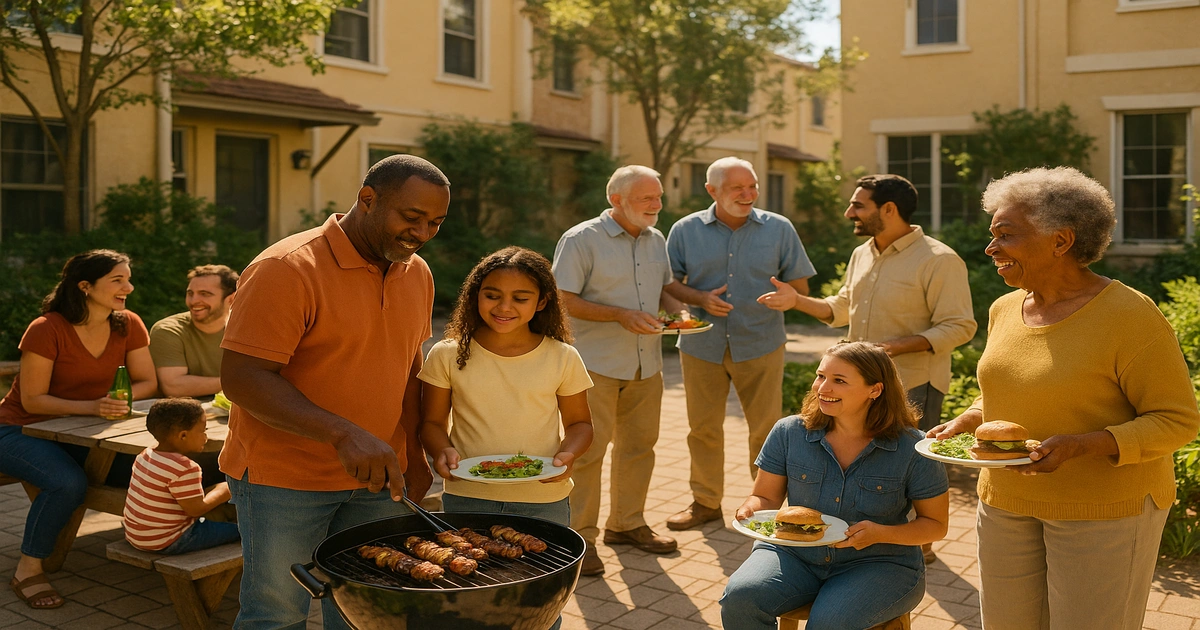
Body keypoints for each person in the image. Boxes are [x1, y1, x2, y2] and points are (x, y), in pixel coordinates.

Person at [928, 167, 1200, 629]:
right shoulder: (1005, 309)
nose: (991, 248)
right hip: (1006, 504)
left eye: (1005, 235)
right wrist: (970, 418)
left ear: (1061, 241)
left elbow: (1177, 419)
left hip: (1103, 511)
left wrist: (1083, 444)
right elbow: (1003, 391)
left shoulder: (1130, 316)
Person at [219, 154, 449, 629]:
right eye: (412, 218)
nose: (423, 233)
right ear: (367, 200)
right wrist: (344, 434)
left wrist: (412, 453)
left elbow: (408, 369)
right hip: (284, 480)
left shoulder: (417, 273)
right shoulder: (286, 268)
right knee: (276, 613)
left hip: (375, 479)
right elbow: (243, 377)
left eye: (436, 223)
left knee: (363, 611)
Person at [786, 174, 976, 563]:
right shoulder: (862, 254)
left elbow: (960, 325)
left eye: (858, 205)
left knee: (911, 466)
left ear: (888, 209)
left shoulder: (939, 260)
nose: (848, 212)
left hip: (914, 384)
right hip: (856, 386)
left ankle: (916, 547)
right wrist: (797, 300)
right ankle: (868, 539)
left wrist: (888, 348)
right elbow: (841, 308)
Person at [420, 247, 593, 630]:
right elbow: (431, 422)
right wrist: (440, 450)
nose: (504, 306)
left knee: (540, 599)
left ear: (542, 301)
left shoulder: (563, 357)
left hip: (543, 498)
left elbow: (581, 424)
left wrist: (567, 455)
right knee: (470, 594)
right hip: (468, 495)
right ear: (475, 294)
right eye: (492, 294)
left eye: (521, 297)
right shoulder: (448, 354)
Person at [721, 342, 950, 629]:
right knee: (741, 598)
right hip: (794, 554)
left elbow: (935, 525)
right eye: (821, 376)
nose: (823, 388)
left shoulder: (913, 447)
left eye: (839, 381)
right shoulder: (789, 432)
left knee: (830, 623)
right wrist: (750, 509)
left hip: (879, 563)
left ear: (874, 390)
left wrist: (880, 534)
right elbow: (764, 496)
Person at [663, 156, 816, 531]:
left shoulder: (779, 229)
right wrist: (698, 299)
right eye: (737, 189)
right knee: (703, 429)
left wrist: (788, 298)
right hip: (702, 344)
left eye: (753, 186)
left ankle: (765, 509)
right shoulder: (684, 230)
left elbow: (800, 289)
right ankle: (704, 503)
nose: (748, 194)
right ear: (712, 191)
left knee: (766, 429)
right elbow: (667, 284)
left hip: (762, 341)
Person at [0, 250, 157, 609]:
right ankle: (28, 569)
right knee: (67, 482)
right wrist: (94, 406)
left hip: (89, 431)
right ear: (85, 286)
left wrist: (120, 401)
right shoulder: (47, 329)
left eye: (128, 279)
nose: (128, 287)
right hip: (18, 430)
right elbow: (33, 400)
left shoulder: (128, 323)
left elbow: (148, 382)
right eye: (118, 280)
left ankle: (175, 543)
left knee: (147, 468)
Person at [552, 165, 685, 576]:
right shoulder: (581, 239)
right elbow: (560, 297)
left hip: (647, 364)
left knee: (640, 447)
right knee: (588, 452)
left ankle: (627, 525)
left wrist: (680, 312)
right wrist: (619, 316)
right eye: (647, 198)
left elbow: (662, 287)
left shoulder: (655, 239)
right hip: (595, 367)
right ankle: (581, 538)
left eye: (659, 197)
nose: (657, 205)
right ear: (617, 200)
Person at [124, 398, 239, 554]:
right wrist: (227, 489)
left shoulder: (145, 455)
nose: (205, 437)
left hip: (136, 536)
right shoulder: (184, 468)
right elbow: (196, 509)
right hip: (170, 540)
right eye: (203, 431)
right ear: (183, 436)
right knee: (243, 531)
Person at [150, 264, 238, 398]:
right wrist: (239, 384)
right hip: (183, 413)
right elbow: (173, 387)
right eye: (190, 293)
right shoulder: (168, 330)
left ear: (231, 299)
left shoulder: (245, 331)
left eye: (205, 294)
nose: (194, 301)